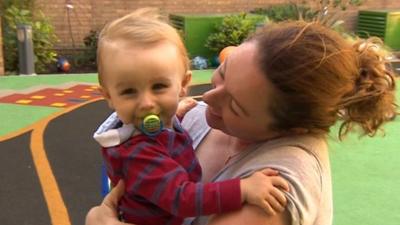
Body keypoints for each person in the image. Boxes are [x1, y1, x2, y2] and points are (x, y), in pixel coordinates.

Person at [86, 20, 397, 225]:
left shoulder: (274, 190)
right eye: (223, 72)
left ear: (290, 129)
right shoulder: (192, 117)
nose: (208, 97)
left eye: (233, 104)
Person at [92, 8, 289, 225]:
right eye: (129, 92)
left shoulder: (147, 125)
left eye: (159, 87)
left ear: (183, 85)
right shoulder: (138, 153)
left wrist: (173, 112)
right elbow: (181, 198)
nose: (147, 103)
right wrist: (243, 189)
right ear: (109, 96)